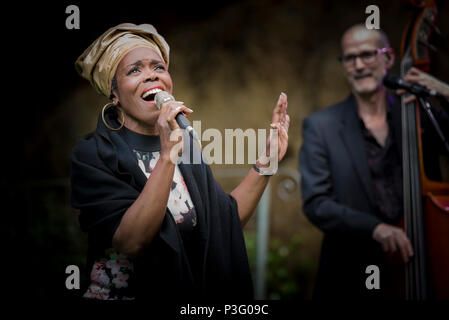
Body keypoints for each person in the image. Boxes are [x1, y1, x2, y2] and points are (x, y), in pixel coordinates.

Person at [70, 23, 290, 300]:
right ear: (113, 92)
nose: (151, 76)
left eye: (158, 67)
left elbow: (223, 220)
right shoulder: (92, 154)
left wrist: (268, 161)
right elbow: (130, 243)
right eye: (134, 70)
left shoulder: (183, 142)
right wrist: (166, 156)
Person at [299, 24, 449, 299]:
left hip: (424, 261)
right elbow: (317, 203)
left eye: (367, 54)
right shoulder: (321, 126)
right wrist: (375, 229)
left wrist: (444, 93)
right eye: (349, 58)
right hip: (351, 272)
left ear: (388, 59)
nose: (358, 65)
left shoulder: (420, 114)